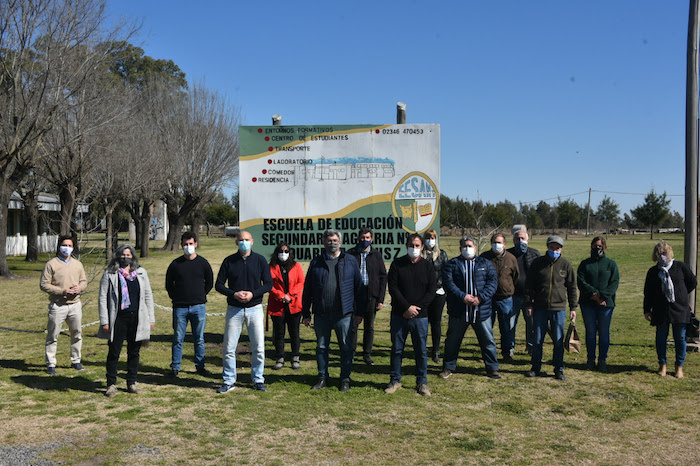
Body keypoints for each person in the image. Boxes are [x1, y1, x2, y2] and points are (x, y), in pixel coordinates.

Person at [302, 229, 364, 392]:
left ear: (340, 243)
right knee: (322, 347)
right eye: (329, 240)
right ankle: (323, 378)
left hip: (344, 314)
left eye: (335, 240)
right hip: (322, 314)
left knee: (345, 347)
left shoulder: (350, 260)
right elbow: (307, 289)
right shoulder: (316, 262)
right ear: (324, 243)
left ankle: (345, 379)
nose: (332, 243)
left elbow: (359, 288)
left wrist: (359, 313)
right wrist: (306, 313)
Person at [215, 230, 273, 393]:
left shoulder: (260, 260)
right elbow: (219, 285)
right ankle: (228, 379)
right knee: (229, 347)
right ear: (236, 242)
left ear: (252, 242)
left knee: (259, 348)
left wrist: (253, 293)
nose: (244, 242)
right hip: (235, 309)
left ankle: (258, 379)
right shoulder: (229, 261)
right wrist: (234, 294)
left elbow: (268, 284)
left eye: (247, 240)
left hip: (255, 309)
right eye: (241, 240)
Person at [440, 236, 501, 379]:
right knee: (452, 340)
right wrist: (463, 296)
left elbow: (492, 282)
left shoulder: (485, 263)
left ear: (475, 247)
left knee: (488, 340)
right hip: (459, 311)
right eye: (464, 246)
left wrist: (481, 297)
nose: (467, 249)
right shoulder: (452, 264)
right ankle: (448, 366)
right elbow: (449, 283)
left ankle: (492, 368)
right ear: (460, 248)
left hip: (481, 311)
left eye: (470, 246)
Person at [99, 244, 155, 397]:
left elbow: (148, 296)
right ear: (118, 256)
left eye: (129, 254)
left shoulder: (141, 273)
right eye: (123, 254)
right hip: (118, 319)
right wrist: (105, 321)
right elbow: (103, 298)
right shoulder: (110, 274)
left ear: (133, 256)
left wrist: (151, 317)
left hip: (137, 318)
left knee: (134, 352)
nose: (126, 257)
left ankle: (131, 382)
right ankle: (111, 384)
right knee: (114, 352)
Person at [385, 234, 436, 396]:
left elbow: (431, 291)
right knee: (397, 350)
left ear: (422, 247)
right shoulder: (397, 264)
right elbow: (393, 288)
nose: (414, 248)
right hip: (399, 315)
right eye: (411, 245)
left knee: (420, 351)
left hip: (420, 317)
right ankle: (395, 380)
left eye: (417, 245)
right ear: (406, 246)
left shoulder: (428, 266)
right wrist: (406, 307)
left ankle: (422, 382)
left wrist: (416, 308)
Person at [525, 235, 577, 381]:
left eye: (557, 248)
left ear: (561, 249)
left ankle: (559, 368)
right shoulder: (537, 263)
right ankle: (535, 367)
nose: (555, 250)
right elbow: (529, 286)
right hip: (540, 308)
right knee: (537, 340)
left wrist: (573, 307)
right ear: (547, 247)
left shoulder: (566, 265)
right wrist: (529, 303)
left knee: (558, 340)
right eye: (552, 247)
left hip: (558, 308)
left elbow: (572, 287)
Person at [643, 240, 697, 378]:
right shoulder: (653, 271)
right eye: (659, 253)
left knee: (680, 338)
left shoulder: (681, 267)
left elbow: (692, 282)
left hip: (679, 308)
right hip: (661, 309)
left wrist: (681, 294)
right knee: (661, 337)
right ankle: (662, 365)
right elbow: (648, 292)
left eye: (664, 253)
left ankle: (679, 367)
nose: (662, 256)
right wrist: (647, 309)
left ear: (670, 253)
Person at [165, 231, 214, 378]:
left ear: (196, 244)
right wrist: (176, 298)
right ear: (181, 245)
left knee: (199, 338)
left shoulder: (203, 263)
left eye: (191, 244)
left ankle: (200, 366)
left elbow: (210, 282)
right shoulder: (175, 264)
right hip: (180, 307)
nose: (188, 247)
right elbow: (169, 285)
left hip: (198, 306)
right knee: (178, 338)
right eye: (185, 244)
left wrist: (200, 295)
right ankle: (175, 367)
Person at [40, 235, 87, 375]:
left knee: (77, 333)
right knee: (52, 335)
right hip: (57, 305)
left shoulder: (77, 264)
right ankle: (51, 364)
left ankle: (76, 360)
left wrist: (80, 288)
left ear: (73, 248)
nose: (67, 248)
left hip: (75, 305)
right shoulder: (51, 264)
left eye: (70, 246)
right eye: (64, 245)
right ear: (59, 246)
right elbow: (44, 284)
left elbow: (84, 280)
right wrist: (62, 291)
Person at [577, 236, 620, 372]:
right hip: (588, 303)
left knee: (604, 333)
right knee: (590, 333)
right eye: (595, 246)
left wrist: (602, 296)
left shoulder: (611, 264)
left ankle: (602, 360)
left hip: (606, 305)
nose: (597, 249)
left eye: (600, 246)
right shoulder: (585, 264)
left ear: (605, 247)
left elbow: (614, 283)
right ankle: (590, 359)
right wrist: (594, 295)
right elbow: (581, 282)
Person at [348, 228, 387, 366]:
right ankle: (350, 353)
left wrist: (381, 299)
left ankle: (367, 354)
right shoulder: (350, 254)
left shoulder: (376, 255)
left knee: (369, 326)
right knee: (353, 325)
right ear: (358, 238)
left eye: (368, 237)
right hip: (354, 295)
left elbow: (383, 277)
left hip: (371, 295)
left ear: (372, 239)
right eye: (363, 237)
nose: (365, 240)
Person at [480, 233, 519, 361]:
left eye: (499, 242)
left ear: (505, 244)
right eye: (494, 242)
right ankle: (487, 354)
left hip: (505, 299)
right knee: (486, 328)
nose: (497, 245)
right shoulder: (484, 257)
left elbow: (516, 277)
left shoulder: (511, 258)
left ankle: (506, 352)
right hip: (488, 299)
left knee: (506, 327)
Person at [268, 242, 305, 370]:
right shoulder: (271, 267)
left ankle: (295, 357)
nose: (283, 254)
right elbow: (268, 284)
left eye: (286, 251)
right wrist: (280, 295)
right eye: (280, 251)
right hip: (277, 305)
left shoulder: (296, 266)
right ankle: (279, 357)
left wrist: (290, 295)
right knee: (279, 333)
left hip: (294, 304)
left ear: (290, 253)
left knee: (294, 333)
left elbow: (301, 282)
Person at [506, 225, 540, 354]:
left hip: (530, 296)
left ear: (527, 239)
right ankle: (510, 348)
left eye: (522, 238)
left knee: (531, 324)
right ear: (513, 240)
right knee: (510, 323)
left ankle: (531, 346)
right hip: (512, 295)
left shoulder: (534, 254)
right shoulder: (508, 254)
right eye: (517, 238)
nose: (520, 241)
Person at [422, 229, 448, 363]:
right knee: (423, 322)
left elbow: (446, 272)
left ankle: (436, 350)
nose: (430, 240)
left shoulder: (442, 254)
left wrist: (443, 286)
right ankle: (422, 350)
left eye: (432, 237)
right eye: (427, 237)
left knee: (436, 322)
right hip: (423, 294)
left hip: (438, 293)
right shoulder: (421, 254)